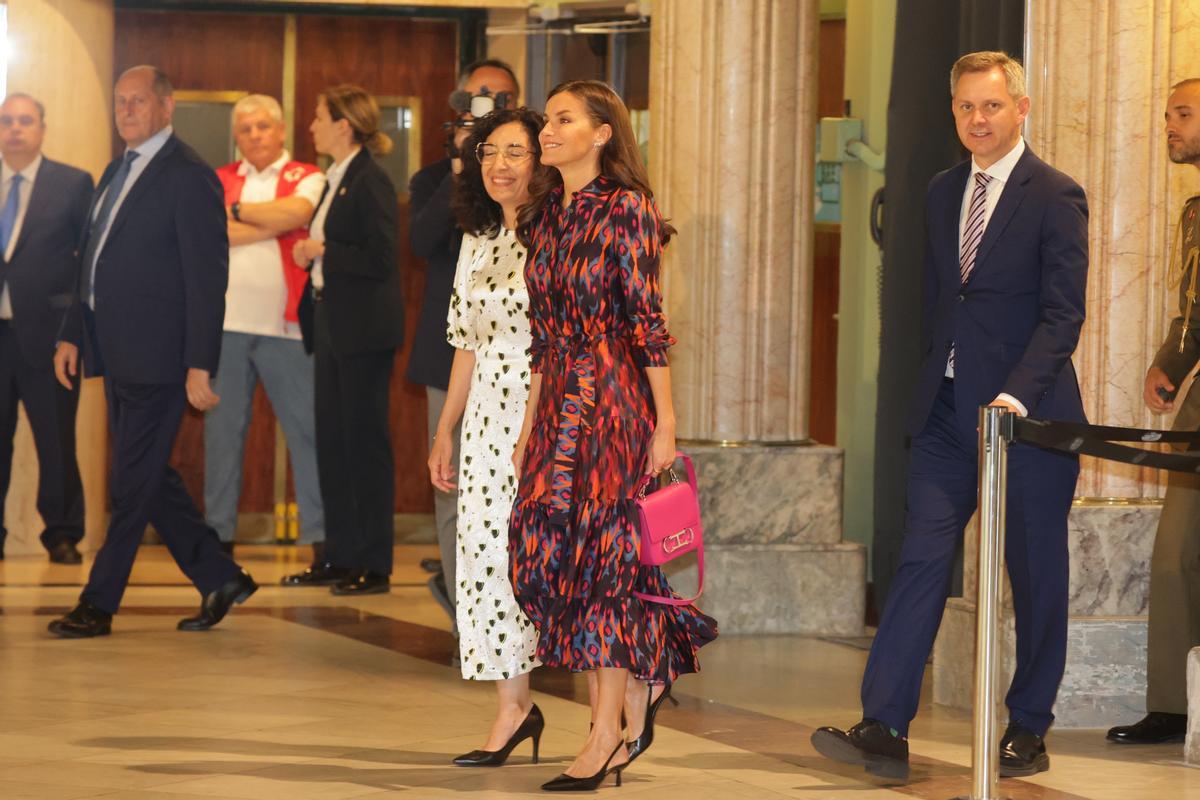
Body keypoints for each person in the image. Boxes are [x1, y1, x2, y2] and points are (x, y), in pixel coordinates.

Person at [811, 51, 1088, 780]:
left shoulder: (1056, 195)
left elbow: (1063, 317)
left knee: (1035, 575)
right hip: (945, 414)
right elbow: (942, 303)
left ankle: (1029, 725)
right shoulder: (940, 192)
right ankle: (885, 723)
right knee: (921, 560)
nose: (977, 119)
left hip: (1027, 421)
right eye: (965, 107)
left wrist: (1017, 394)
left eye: (991, 106)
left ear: (1021, 109)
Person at [509, 80, 718, 792]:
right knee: (543, 553)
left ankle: (603, 733)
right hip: (559, 401)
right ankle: (640, 684)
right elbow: (541, 334)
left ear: (602, 133)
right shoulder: (543, 215)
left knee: (605, 567)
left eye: (563, 119)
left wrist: (666, 423)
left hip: (613, 403)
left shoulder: (627, 209)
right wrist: (531, 422)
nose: (547, 130)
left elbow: (646, 323)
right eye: (549, 120)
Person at [48, 65, 257, 638]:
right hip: (115, 350)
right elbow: (89, 259)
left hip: (162, 357)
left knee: (129, 481)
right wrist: (71, 331)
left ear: (167, 107)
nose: (126, 111)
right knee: (146, 475)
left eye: (138, 101)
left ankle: (99, 601)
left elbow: (206, 277)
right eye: (119, 101)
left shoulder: (188, 174)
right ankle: (220, 576)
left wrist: (199, 361)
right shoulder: (119, 167)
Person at [428, 107, 548, 767]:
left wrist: (532, 430)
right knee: (485, 561)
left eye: (515, 152)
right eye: (488, 153)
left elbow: (556, 344)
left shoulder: (556, 232)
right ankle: (513, 707)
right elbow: (465, 344)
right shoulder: (477, 236)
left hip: (543, 420)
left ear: (540, 160)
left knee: (542, 561)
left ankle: (613, 717)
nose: (500, 165)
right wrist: (446, 430)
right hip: (483, 424)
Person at [407, 59, 520, 623]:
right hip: (449, 351)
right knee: (453, 493)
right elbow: (423, 240)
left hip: (522, 361)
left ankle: (521, 615)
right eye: (478, 98)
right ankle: (466, 619)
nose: (488, 109)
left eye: (499, 99)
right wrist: (460, 164)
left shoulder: (535, 174)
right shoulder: (437, 176)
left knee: (517, 495)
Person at [1107, 77, 1200, 747]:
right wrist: (1167, 362)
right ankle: (1173, 703)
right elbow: (1188, 311)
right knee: (1175, 555)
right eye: (1169, 114)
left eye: (1184, 115)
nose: (1171, 125)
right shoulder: (1194, 211)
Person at [282, 84, 404, 596]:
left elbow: (382, 256)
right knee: (332, 444)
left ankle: (372, 563)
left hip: (363, 332)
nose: (310, 126)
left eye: (317, 117)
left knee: (364, 446)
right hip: (331, 325)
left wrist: (322, 250)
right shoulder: (335, 177)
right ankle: (339, 554)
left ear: (343, 125)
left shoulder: (369, 179)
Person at [207, 94, 326, 557]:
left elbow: (298, 214)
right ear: (236, 136)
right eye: (245, 129)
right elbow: (211, 232)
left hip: (288, 328)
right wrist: (272, 223)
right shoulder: (218, 179)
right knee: (222, 434)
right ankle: (218, 536)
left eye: (262, 127)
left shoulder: (306, 176)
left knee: (306, 432)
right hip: (225, 327)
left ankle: (318, 536)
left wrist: (236, 216)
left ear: (280, 131)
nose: (254, 136)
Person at [0, 92, 92, 564]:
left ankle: (62, 532)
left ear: (42, 129)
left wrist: (75, 331)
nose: (15, 128)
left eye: (26, 121)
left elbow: (87, 265)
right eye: (7, 121)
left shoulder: (72, 184)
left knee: (56, 437)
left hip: (51, 337)